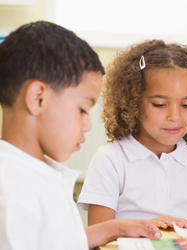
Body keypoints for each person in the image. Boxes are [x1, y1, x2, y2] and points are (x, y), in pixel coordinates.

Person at [0, 21, 161, 250]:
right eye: (83, 110)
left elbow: (58, 241)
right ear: (38, 99)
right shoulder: (11, 196)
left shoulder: (31, 172)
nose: (87, 125)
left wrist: (118, 228)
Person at [77, 40, 187, 230]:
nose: (175, 116)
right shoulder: (110, 160)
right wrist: (143, 227)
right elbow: (99, 238)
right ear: (133, 102)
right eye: (159, 104)